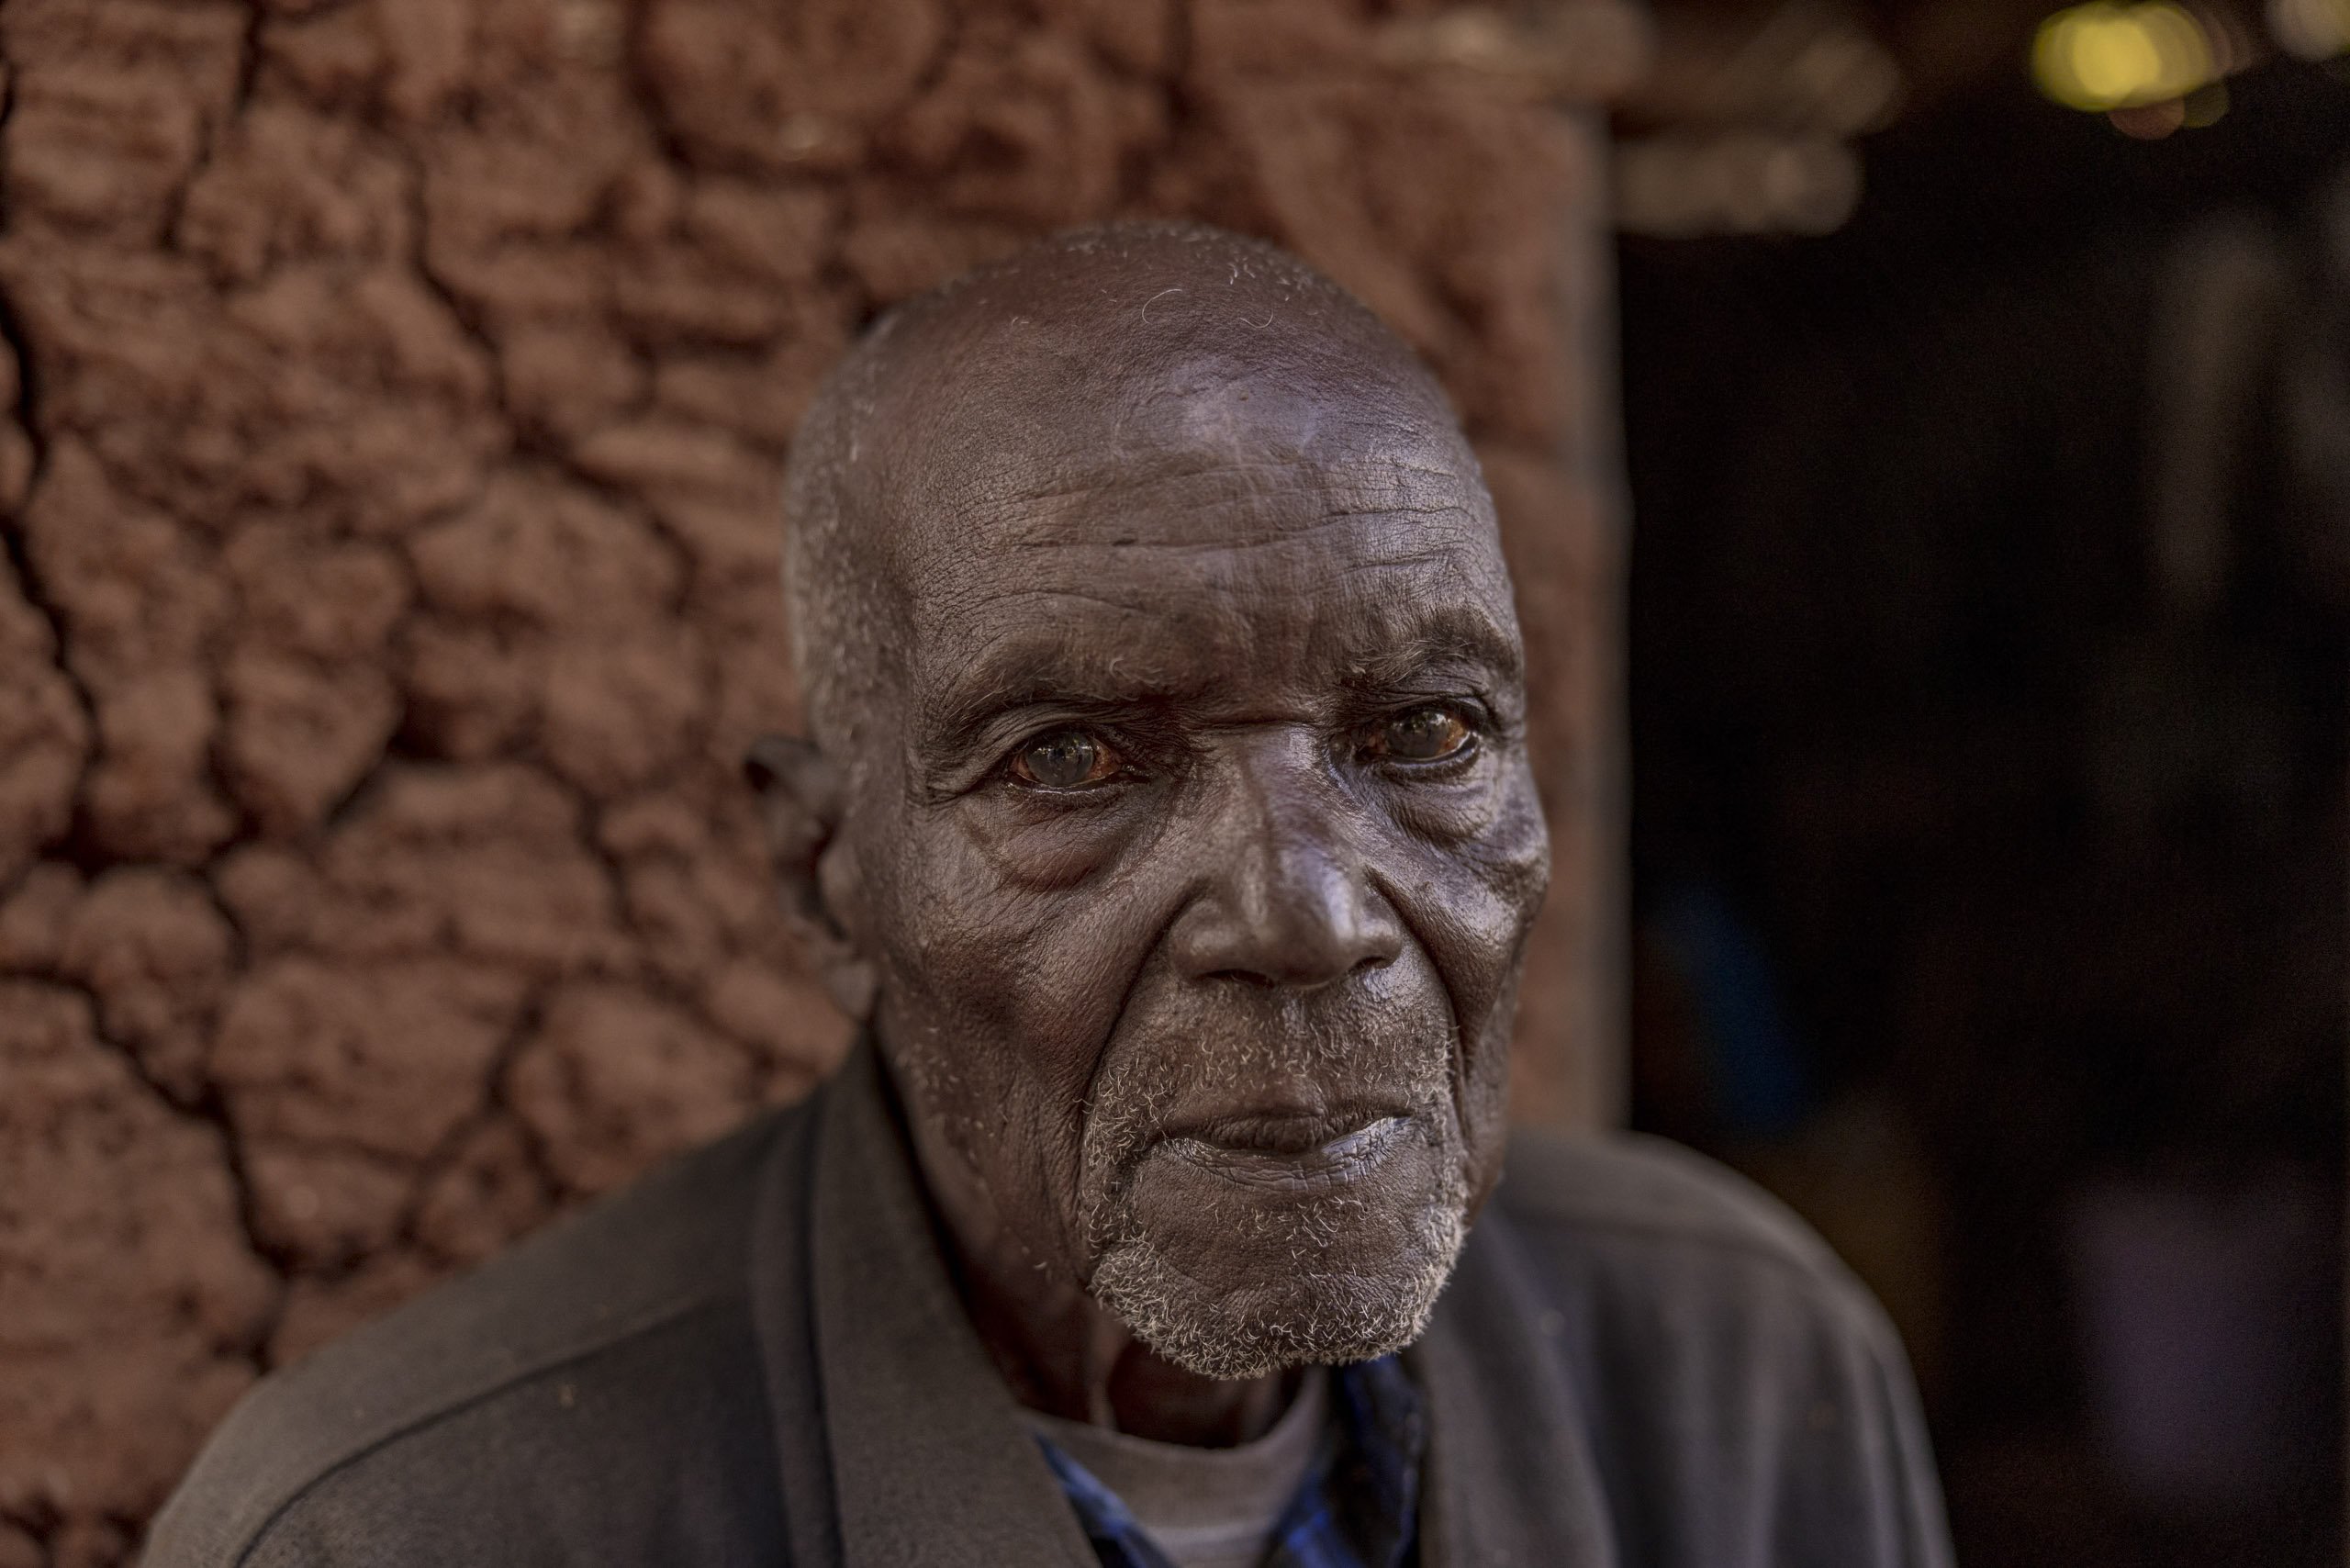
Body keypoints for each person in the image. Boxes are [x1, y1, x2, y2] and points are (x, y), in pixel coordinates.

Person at [147, 223, 1952, 1568]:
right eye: (1075, 759)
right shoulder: (414, 1529)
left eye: (1419, 730)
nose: (1306, 912)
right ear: (828, 876)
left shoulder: (1732, 1369)